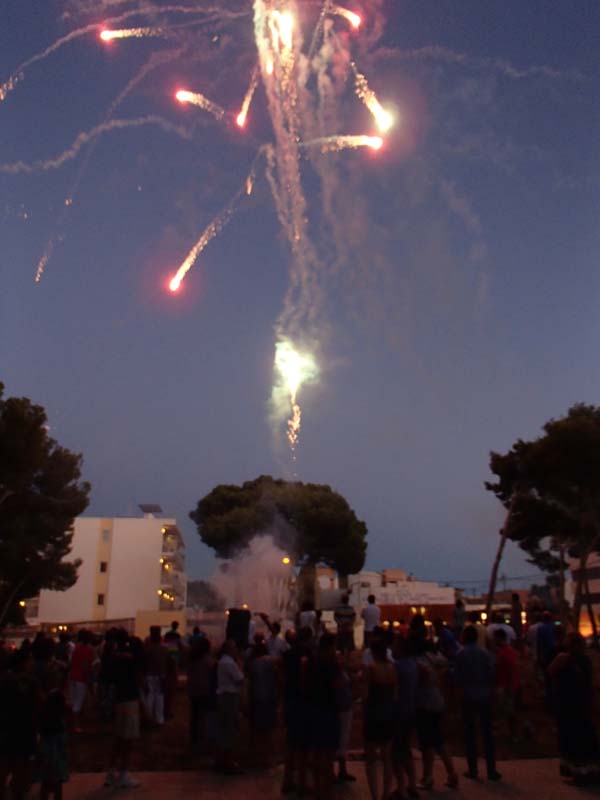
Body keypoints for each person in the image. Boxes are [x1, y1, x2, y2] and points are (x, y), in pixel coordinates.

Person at [548, 633, 600, 784]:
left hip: (568, 703)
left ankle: (579, 773)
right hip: (583, 702)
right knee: (585, 736)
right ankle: (591, 770)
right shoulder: (586, 660)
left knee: (572, 737)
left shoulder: (563, 658)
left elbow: (550, 671)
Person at [455, 625, 500, 781]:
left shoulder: (461, 654)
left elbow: (457, 677)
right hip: (484, 695)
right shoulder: (484, 653)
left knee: (470, 734)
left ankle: (473, 769)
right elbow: (492, 673)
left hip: (468, 696)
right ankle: (491, 770)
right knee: (487, 734)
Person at [413, 633, 458, 790]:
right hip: (436, 700)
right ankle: (451, 774)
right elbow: (446, 664)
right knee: (438, 741)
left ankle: (428, 777)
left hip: (425, 704)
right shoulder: (432, 658)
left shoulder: (418, 662)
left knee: (427, 743)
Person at [104, 630, 142, 789]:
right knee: (128, 739)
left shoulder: (112, 658)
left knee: (119, 738)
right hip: (129, 699)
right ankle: (123, 774)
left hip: (119, 699)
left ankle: (111, 772)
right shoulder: (127, 659)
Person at [0, 649, 40, 800]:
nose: (32, 663)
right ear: (23, 663)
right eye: (29, 660)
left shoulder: (4, 679)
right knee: (21, 765)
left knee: (5, 762)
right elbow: (39, 703)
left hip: (6, 728)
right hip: (25, 728)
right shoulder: (30, 682)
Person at [306, 633, 342, 800]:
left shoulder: (312, 661)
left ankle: (317, 788)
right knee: (327, 754)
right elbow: (337, 686)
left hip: (314, 708)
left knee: (317, 751)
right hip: (329, 710)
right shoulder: (332, 664)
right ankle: (326, 790)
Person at [364, 637, 397, 800]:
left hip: (373, 715)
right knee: (387, 757)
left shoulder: (370, 669)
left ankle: (374, 795)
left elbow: (365, 694)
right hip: (388, 714)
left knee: (371, 759)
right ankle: (385, 793)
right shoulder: (392, 668)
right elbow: (395, 694)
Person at [281, 627, 313, 795]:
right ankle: (302, 781)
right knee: (303, 745)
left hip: (289, 699)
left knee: (290, 742)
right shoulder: (307, 655)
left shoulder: (287, 655)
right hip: (302, 701)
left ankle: (287, 779)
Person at [391, 635, 419, 799]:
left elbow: (393, 692)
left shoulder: (398, 667)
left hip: (399, 712)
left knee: (396, 751)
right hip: (411, 710)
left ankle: (401, 787)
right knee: (406, 749)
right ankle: (412, 785)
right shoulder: (413, 664)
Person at [246, 636, 279, 768]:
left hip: (256, 697)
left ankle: (255, 757)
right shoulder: (270, 662)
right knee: (268, 730)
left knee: (256, 730)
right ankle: (266, 758)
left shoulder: (252, 664)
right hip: (269, 698)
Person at [215, 640, 244, 774]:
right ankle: (228, 761)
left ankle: (222, 759)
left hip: (224, 696)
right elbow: (239, 679)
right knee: (229, 728)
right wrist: (240, 666)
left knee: (224, 728)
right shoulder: (229, 663)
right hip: (229, 697)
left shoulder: (223, 661)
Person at [37, 687, 69, 800]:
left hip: (48, 754)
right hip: (57, 756)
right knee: (56, 783)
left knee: (46, 783)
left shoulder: (45, 720)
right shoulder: (60, 722)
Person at [494, 628, 520, 741]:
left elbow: (512, 668)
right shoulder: (504, 651)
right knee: (507, 711)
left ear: (499, 638)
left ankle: (514, 734)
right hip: (506, 685)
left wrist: (510, 686)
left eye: (495, 638)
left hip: (507, 686)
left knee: (510, 711)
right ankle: (511, 733)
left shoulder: (506, 651)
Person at [188, 636, 214, 745]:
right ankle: (203, 737)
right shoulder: (208, 661)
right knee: (204, 715)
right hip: (205, 691)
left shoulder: (193, 659)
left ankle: (194, 737)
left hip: (193, 691)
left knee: (195, 715)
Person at [335, 653, 356, 783]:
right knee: (339, 739)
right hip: (340, 709)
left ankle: (342, 769)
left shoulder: (343, 672)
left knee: (344, 739)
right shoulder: (336, 674)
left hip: (345, 708)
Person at [67, 630, 93, 733]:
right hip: (81, 678)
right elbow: (85, 666)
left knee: (73, 701)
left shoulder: (76, 648)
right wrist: (88, 678)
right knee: (78, 702)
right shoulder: (87, 650)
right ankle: (76, 725)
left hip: (73, 675)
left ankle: (71, 723)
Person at [143, 626, 170, 726]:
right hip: (161, 675)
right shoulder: (164, 649)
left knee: (150, 696)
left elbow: (145, 663)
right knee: (160, 696)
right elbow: (168, 662)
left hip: (150, 675)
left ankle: (149, 717)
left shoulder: (147, 650)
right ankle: (159, 719)